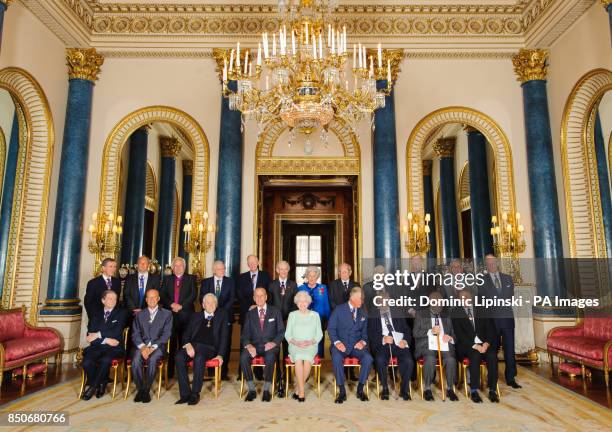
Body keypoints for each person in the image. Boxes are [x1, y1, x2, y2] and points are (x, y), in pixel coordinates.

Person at [175, 293, 229, 406]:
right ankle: (185, 394)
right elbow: (186, 334)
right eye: (208, 303)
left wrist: (220, 355)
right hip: (193, 347)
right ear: (203, 305)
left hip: (210, 348)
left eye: (213, 302)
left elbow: (225, 337)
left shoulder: (222, 316)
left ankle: (195, 394)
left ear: (216, 304)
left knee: (199, 356)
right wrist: (187, 344)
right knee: (179, 356)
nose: (211, 305)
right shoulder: (195, 316)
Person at [479, 254, 521, 389]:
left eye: (493, 262)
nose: (491, 264)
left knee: (509, 350)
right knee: (492, 351)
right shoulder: (481, 280)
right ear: (486, 264)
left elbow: (510, 297)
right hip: (491, 321)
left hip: (507, 320)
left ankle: (511, 378)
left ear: (497, 262)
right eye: (488, 263)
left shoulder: (508, 279)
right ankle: (493, 378)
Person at [451, 289, 499, 403]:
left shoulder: (482, 310)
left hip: (484, 344)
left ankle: (492, 390)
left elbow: (491, 329)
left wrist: (487, 343)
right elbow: (459, 335)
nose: (465, 299)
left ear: (471, 297)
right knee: (475, 356)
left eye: (467, 296)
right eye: (462, 298)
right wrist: (475, 346)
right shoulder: (455, 312)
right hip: (467, 345)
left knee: (492, 356)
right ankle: (474, 390)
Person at [328, 286, 373, 404]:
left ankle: (360, 389)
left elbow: (365, 334)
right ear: (352, 297)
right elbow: (331, 328)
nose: (362, 301)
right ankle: (342, 391)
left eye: (362, 299)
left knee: (368, 359)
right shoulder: (338, 310)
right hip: (341, 345)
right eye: (360, 299)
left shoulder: (363, 313)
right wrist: (337, 343)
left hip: (356, 346)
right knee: (336, 358)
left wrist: (362, 342)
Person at [81, 290, 128, 400]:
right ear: (103, 300)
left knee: (105, 360)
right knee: (86, 362)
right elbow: (90, 337)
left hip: (114, 348)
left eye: (115, 299)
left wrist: (98, 334)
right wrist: (106, 340)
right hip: (97, 347)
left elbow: (117, 332)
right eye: (110, 298)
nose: (113, 301)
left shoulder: (121, 313)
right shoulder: (95, 314)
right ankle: (102, 382)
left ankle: (92, 387)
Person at [240, 287, 285, 402]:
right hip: (254, 346)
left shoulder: (275, 311)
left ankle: (266, 390)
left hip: (270, 346)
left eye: (262, 295)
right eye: (257, 296)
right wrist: (249, 345)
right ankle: (251, 390)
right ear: (254, 298)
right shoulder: (250, 314)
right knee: (243, 357)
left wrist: (274, 343)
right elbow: (245, 334)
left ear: (266, 297)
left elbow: (281, 331)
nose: (259, 298)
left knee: (270, 357)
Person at [368, 291, 414, 401]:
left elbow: (407, 330)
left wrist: (405, 341)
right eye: (381, 302)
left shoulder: (397, 312)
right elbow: (371, 333)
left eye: (385, 302)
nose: (383, 304)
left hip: (398, 343)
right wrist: (383, 338)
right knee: (379, 360)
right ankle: (384, 388)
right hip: (383, 345)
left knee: (409, 361)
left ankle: (404, 390)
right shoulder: (373, 314)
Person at [413, 291, 458, 402]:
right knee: (430, 358)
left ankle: (450, 388)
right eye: (437, 303)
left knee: (451, 359)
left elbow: (454, 334)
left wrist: (450, 338)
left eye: (441, 302)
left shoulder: (446, 314)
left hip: (443, 344)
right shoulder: (421, 314)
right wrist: (430, 331)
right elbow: (415, 333)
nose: (440, 305)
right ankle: (427, 388)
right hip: (427, 344)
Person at [130, 289, 172, 403]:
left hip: (158, 347)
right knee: (135, 359)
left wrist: (152, 347)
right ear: (146, 299)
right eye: (149, 297)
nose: (152, 300)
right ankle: (141, 389)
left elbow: (166, 334)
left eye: (154, 297)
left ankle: (146, 389)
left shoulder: (167, 314)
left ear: (158, 299)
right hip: (142, 346)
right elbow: (135, 334)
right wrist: (143, 347)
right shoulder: (140, 315)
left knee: (153, 359)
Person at [160, 257, 196, 377]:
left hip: (186, 316)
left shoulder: (191, 278)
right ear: (172, 267)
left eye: (181, 265)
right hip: (170, 316)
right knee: (171, 344)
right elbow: (163, 295)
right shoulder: (167, 279)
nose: (178, 267)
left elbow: (193, 295)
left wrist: (181, 306)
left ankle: (183, 371)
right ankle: (169, 372)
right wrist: (171, 304)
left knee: (184, 343)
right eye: (176, 265)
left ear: (184, 267)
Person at [284, 290, 323, 402]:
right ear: (296, 303)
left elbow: (319, 334)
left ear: (309, 303)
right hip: (295, 345)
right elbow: (287, 334)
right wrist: (296, 342)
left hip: (310, 345)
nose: (302, 304)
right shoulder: (292, 315)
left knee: (307, 360)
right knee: (299, 357)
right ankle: (301, 391)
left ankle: (298, 389)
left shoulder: (315, 315)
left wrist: (310, 342)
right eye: (300, 302)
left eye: (305, 301)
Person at [199, 260, 235, 380]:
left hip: (225, 317)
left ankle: (223, 372)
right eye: (220, 269)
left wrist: (219, 313)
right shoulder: (206, 282)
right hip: (209, 317)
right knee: (210, 342)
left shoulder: (230, 282)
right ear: (214, 270)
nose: (222, 271)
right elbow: (202, 299)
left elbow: (231, 299)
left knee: (225, 343)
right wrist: (211, 311)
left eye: (223, 268)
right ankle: (211, 371)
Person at [269, 260, 298, 396]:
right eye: (281, 269)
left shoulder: (293, 285)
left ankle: (287, 378)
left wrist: (289, 319)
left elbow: (295, 304)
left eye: (286, 269)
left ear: (289, 270)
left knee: (287, 351)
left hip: (288, 322)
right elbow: (269, 305)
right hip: (274, 323)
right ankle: (277, 377)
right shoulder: (271, 285)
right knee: (275, 350)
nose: (283, 271)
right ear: (277, 270)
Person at [297, 266, 330, 358]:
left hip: (319, 320)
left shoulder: (323, 288)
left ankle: (317, 362)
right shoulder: (301, 288)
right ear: (307, 276)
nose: (312, 278)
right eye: (310, 276)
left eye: (314, 276)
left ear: (317, 277)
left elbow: (326, 303)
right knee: (305, 341)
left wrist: (328, 319)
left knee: (318, 341)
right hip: (304, 320)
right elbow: (297, 305)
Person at [237, 255, 272, 325]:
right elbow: (239, 295)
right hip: (246, 311)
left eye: (254, 262)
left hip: (262, 312)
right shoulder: (241, 277)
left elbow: (269, 293)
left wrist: (259, 306)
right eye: (250, 263)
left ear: (258, 262)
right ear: (247, 264)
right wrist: (249, 307)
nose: (252, 264)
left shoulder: (266, 276)